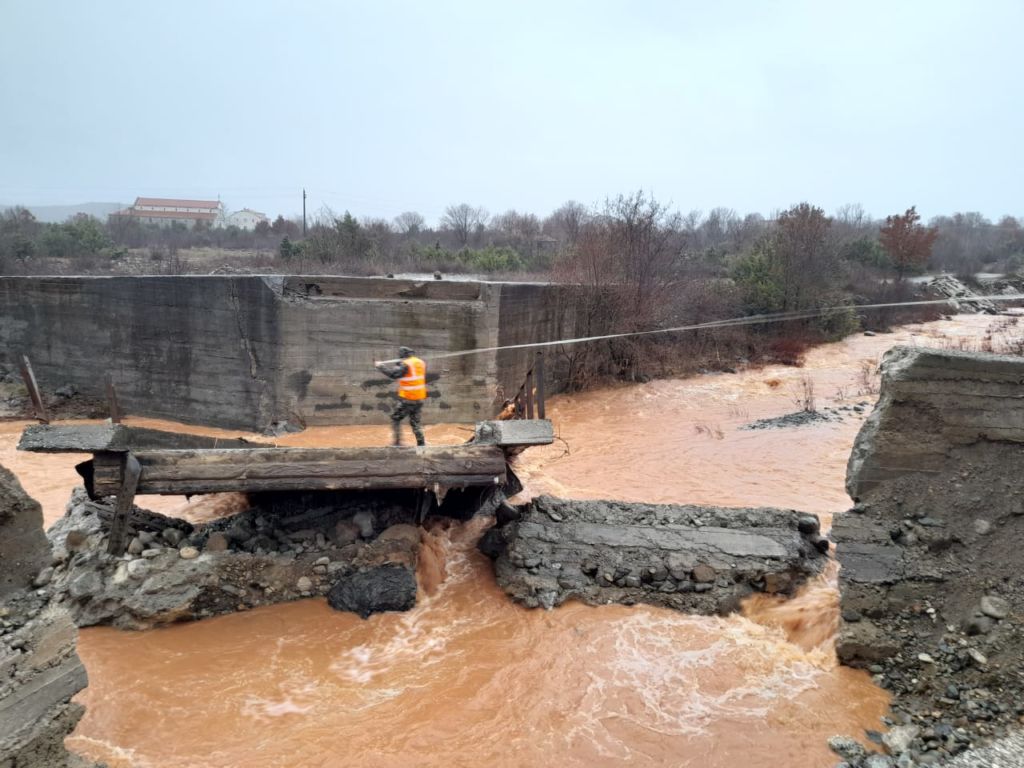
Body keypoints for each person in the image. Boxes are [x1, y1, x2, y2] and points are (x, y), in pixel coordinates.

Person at [375, 346, 427, 447]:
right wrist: (399, 364)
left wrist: (380, 366)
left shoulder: (406, 364)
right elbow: (408, 372)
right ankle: (421, 445)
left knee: (395, 418)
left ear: (402, 355)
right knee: (416, 423)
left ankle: (397, 443)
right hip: (419, 398)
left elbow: (394, 374)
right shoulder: (420, 362)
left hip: (408, 399)